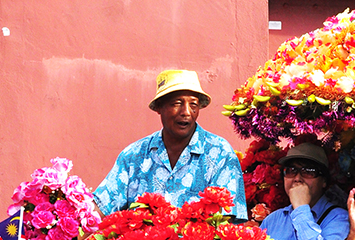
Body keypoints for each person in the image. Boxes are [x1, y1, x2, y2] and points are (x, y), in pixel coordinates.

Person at [93, 70, 248, 219]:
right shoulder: (134, 156)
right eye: (177, 103)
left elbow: (227, 220)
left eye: (193, 105)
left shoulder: (220, 153)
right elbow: (100, 208)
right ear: (159, 107)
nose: (186, 112)